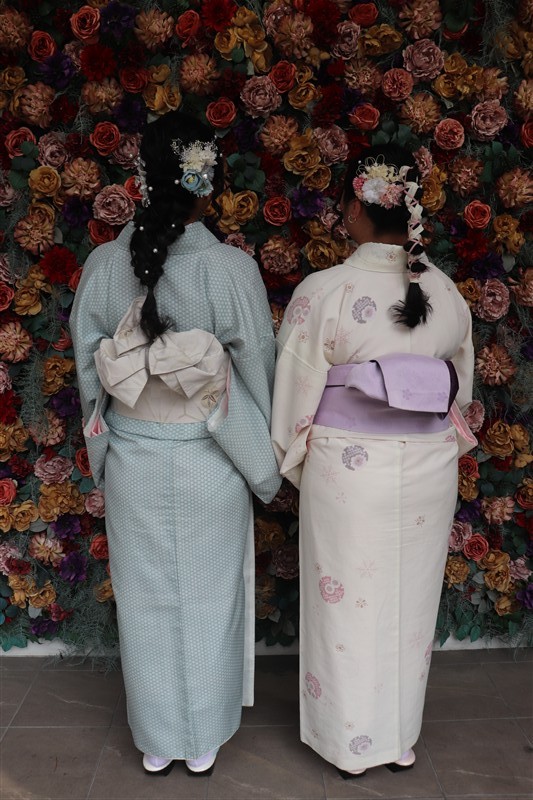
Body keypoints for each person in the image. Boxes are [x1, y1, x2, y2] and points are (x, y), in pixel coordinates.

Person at [70, 111, 281, 776]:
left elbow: (88, 370)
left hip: (134, 453)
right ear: (205, 181)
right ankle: (203, 735)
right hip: (210, 454)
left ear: (142, 180)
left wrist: (106, 442)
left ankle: (157, 738)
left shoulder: (106, 265)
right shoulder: (229, 269)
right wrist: (261, 443)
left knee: (144, 599)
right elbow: (258, 366)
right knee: (210, 596)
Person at [271, 144, 475, 778]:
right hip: (429, 464)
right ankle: (398, 738)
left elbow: (293, 388)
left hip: (349, 470)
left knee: (347, 602)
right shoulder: (444, 291)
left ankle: (349, 744)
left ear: (357, 209)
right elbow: (458, 388)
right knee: (410, 601)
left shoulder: (326, 290)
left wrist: (299, 459)